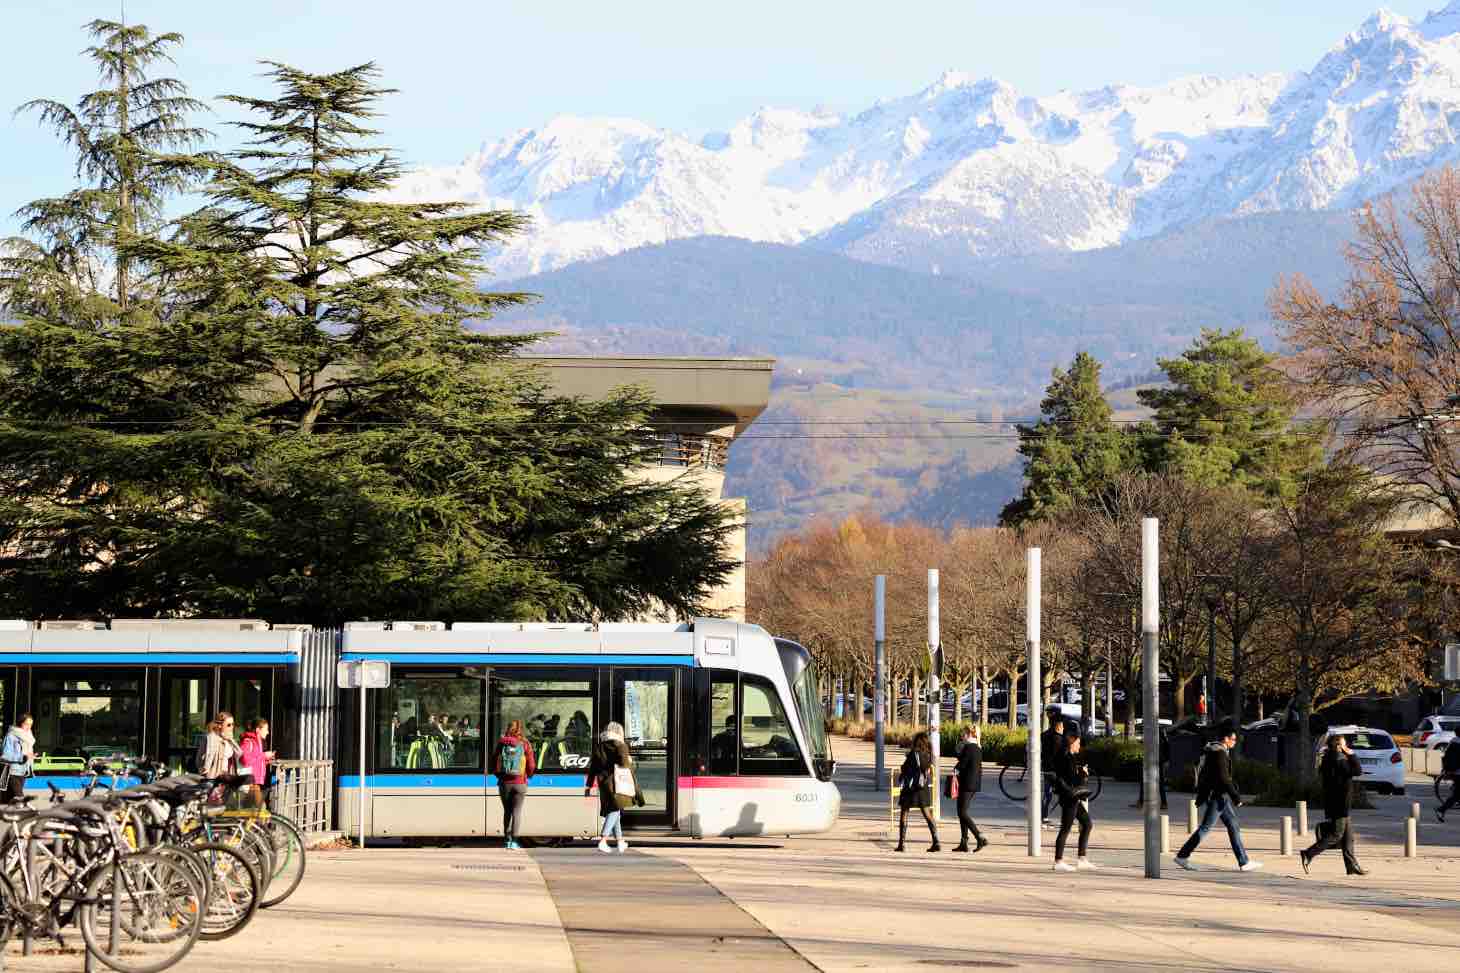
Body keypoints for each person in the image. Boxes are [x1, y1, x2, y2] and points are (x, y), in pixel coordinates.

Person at [1175, 720, 1262, 872]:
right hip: (1217, 796)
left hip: (1216, 795)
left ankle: (1244, 861)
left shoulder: (1215, 750)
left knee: (1233, 825)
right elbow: (1223, 778)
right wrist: (1236, 797)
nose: (1235, 742)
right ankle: (1182, 855)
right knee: (1206, 828)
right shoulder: (1219, 753)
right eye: (1233, 739)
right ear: (1226, 739)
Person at [1300, 734, 1366, 876]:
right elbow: (1357, 771)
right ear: (1338, 746)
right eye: (1344, 744)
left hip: (1335, 802)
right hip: (1340, 804)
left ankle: (1352, 866)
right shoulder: (1339, 759)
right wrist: (1352, 755)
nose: (1346, 747)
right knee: (1336, 835)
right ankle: (1308, 853)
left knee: (1349, 837)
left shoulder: (1328, 758)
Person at [584, 721, 644, 854]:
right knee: (615, 810)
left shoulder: (600, 746)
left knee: (615, 810)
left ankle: (620, 841)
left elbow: (593, 768)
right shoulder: (621, 745)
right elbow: (624, 764)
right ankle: (603, 840)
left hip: (603, 784)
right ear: (619, 733)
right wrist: (629, 760)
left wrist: (588, 786)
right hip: (617, 784)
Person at [1051, 724, 1097, 871]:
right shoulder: (1068, 758)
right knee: (1065, 828)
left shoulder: (1066, 756)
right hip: (1070, 798)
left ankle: (1082, 858)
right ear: (1072, 743)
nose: (1079, 746)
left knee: (1087, 823)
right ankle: (1058, 861)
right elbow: (1073, 781)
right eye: (1078, 743)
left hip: (1071, 797)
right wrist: (1083, 774)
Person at [494, 718, 536, 850]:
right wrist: (528, 775)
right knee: (517, 811)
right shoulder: (525, 743)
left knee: (507, 811)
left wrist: (501, 776)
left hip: (505, 783)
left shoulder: (501, 743)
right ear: (519, 729)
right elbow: (531, 764)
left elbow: (494, 762)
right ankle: (514, 841)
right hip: (520, 782)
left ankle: (507, 840)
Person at [895, 731, 940, 853]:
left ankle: (901, 844)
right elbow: (927, 769)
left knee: (904, 812)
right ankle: (936, 841)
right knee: (927, 814)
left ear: (917, 742)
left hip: (910, 788)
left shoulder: (913, 754)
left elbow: (904, 768)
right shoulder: (928, 755)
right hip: (922, 787)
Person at [953, 725, 987, 853]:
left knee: (962, 812)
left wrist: (957, 753)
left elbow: (962, 764)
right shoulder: (977, 747)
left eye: (963, 734)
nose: (962, 737)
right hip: (973, 784)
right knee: (962, 812)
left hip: (966, 783)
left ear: (969, 735)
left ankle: (979, 837)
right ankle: (964, 842)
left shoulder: (969, 747)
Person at [238, 718, 277, 808]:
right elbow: (245, 760)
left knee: (247, 811)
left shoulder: (258, 743)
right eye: (266, 729)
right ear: (258, 730)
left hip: (253, 782)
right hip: (250, 782)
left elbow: (254, 760)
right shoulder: (248, 742)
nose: (268, 732)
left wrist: (266, 760)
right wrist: (263, 756)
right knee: (261, 809)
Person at [1132, 725, 1170, 810]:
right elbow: (1167, 748)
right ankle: (1163, 803)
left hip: (1152, 760)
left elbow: (1149, 748)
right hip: (1158, 760)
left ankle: (1142, 802)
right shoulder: (1162, 735)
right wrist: (1165, 759)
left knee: (1144, 780)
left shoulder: (1152, 735)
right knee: (1159, 782)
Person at [1, 714, 35, 803]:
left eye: (31, 724)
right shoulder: (11, 736)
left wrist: (31, 756)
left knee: (9, 799)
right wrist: (22, 757)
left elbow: (26, 753)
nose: (29, 727)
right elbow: (5, 755)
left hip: (23, 772)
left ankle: (7, 815)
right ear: (20, 723)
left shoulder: (28, 736)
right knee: (20, 798)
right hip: (13, 771)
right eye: (26, 724)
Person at [1040, 708, 1066, 825]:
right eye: (1061, 725)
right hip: (1056, 770)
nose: (1063, 727)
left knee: (1047, 793)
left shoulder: (1044, 735)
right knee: (1063, 794)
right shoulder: (1059, 739)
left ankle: (1043, 816)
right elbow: (1059, 755)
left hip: (1046, 768)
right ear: (1058, 726)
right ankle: (1066, 818)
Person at [1436, 739, 1460, 823]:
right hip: (1457, 772)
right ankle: (1441, 810)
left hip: (1454, 771)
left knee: (1457, 794)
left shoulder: (1454, 741)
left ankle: (1442, 810)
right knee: (1457, 795)